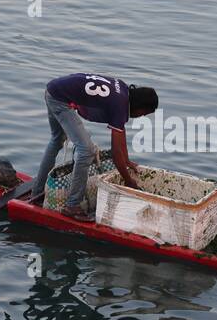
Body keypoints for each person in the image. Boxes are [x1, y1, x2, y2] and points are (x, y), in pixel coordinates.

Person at [31, 73, 159, 221]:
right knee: (86, 151)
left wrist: (127, 161)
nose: (141, 116)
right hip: (60, 100)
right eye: (143, 113)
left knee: (57, 140)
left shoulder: (123, 91)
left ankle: (37, 192)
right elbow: (116, 153)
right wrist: (128, 181)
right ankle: (72, 205)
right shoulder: (120, 106)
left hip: (54, 90)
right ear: (139, 106)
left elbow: (120, 131)